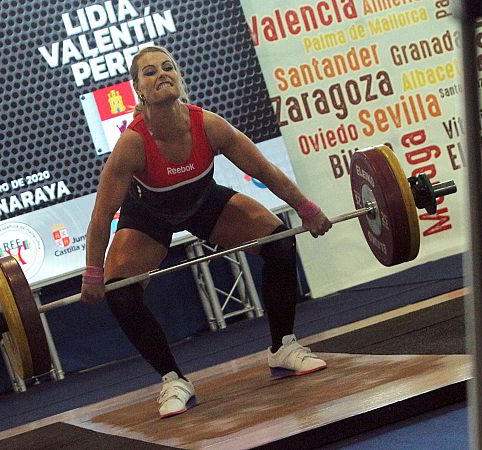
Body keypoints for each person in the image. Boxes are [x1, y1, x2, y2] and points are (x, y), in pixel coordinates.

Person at [80, 46, 333, 419]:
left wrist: (306, 209)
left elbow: (264, 170)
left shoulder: (209, 126)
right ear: (139, 89)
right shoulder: (133, 144)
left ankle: (283, 348)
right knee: (120, 293)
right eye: (150, 72)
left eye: (167, 67)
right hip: (149, 218)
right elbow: (102, 215)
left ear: (179, 77)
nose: (161, 74)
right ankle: (174, 381)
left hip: (204, 204)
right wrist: (93, 273)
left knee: (279, 241)